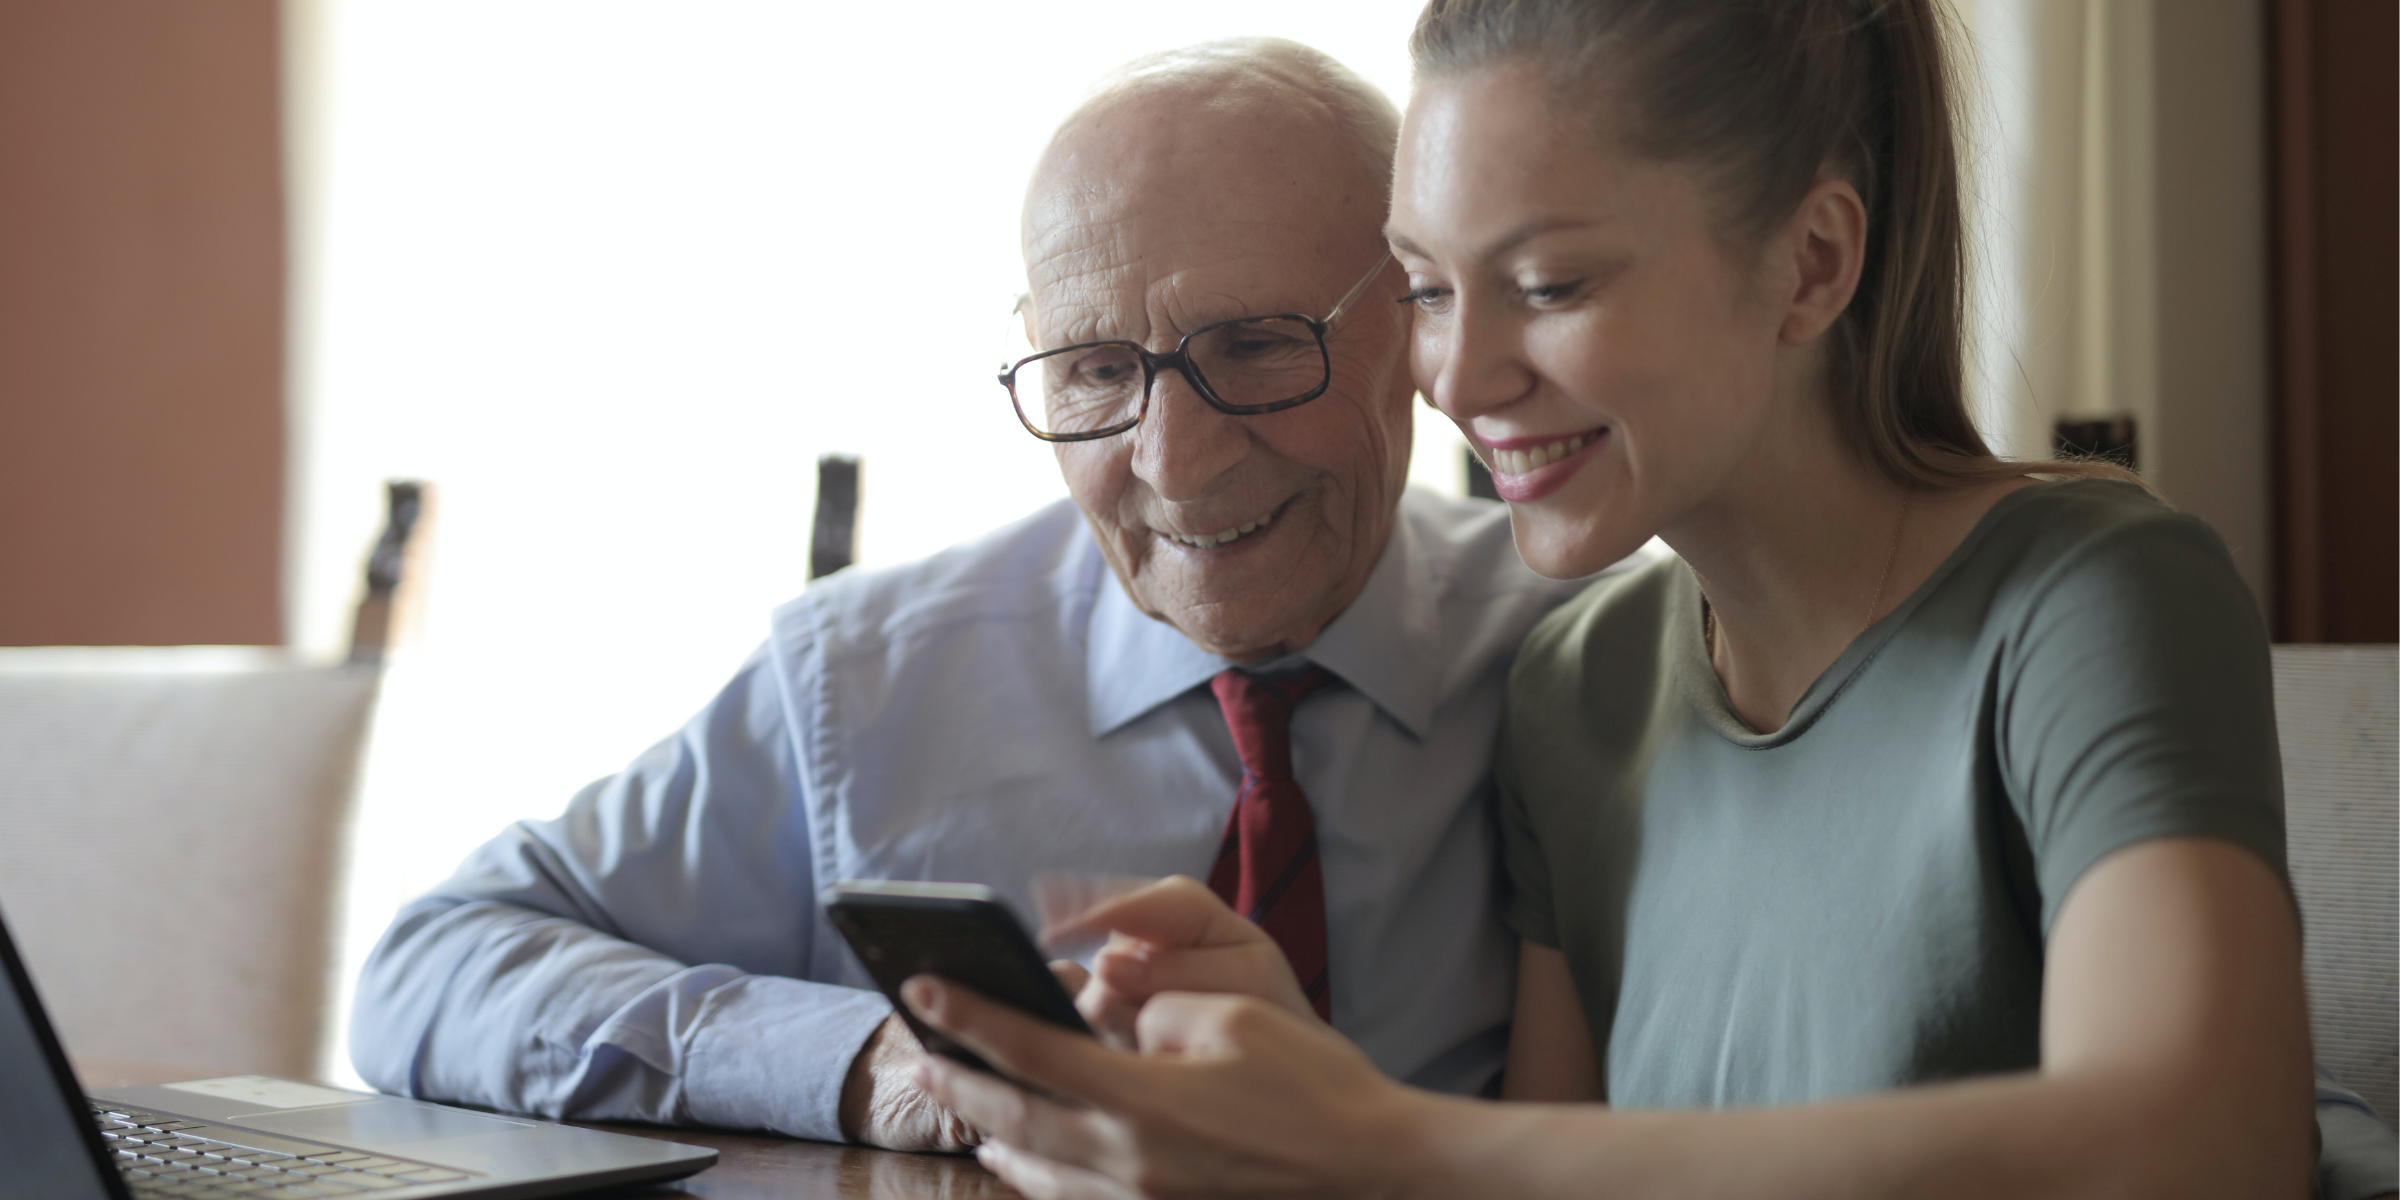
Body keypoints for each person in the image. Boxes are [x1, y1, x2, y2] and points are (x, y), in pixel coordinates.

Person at [904, 3, 2400, 1198]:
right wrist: (1309, 1116)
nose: (1459, 376)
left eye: (1548, 286)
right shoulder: (1580, 684)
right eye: (1425, 285)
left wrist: (1377, 1142)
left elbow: (2203, 1154)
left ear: (1812, 263)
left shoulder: (2090, 594)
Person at [348, 38, 1610, 1151]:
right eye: (1096, 370)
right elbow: (431, 969)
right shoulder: (867, 682)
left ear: (1419, 321)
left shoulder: (1598, 659)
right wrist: (864, 1062)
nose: (1172, 460)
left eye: (1259, 345)